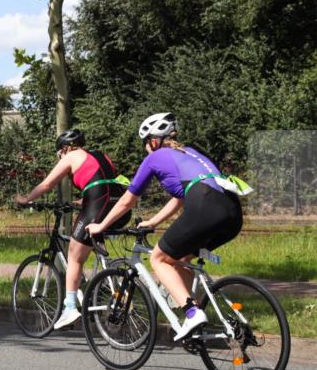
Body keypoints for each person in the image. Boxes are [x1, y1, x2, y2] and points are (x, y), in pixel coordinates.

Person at [86, 112, 244, 341]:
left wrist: (101, 225)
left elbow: (127, 200)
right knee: (181, 259)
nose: (146, 150)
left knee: (158, 258)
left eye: (145, 144)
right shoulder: (190, 153)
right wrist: (153, 222)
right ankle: (195, 319)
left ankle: (192, 313)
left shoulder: (156, 157)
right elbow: (179, 198)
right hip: (232, 210)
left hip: (205, 203)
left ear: (153, 140)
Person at [16, 129, 130, 330]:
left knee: (74, 257)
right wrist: (82, 200)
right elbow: (105, 182)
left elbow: (47, 184)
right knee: (90, 242)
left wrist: (26, 199)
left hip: (98, 204)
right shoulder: (100, 155)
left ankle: (69, 308)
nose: (60, 157)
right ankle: (107, 286)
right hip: (119, 205)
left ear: (65, 148)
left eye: (59, 153)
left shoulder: (71, 156)